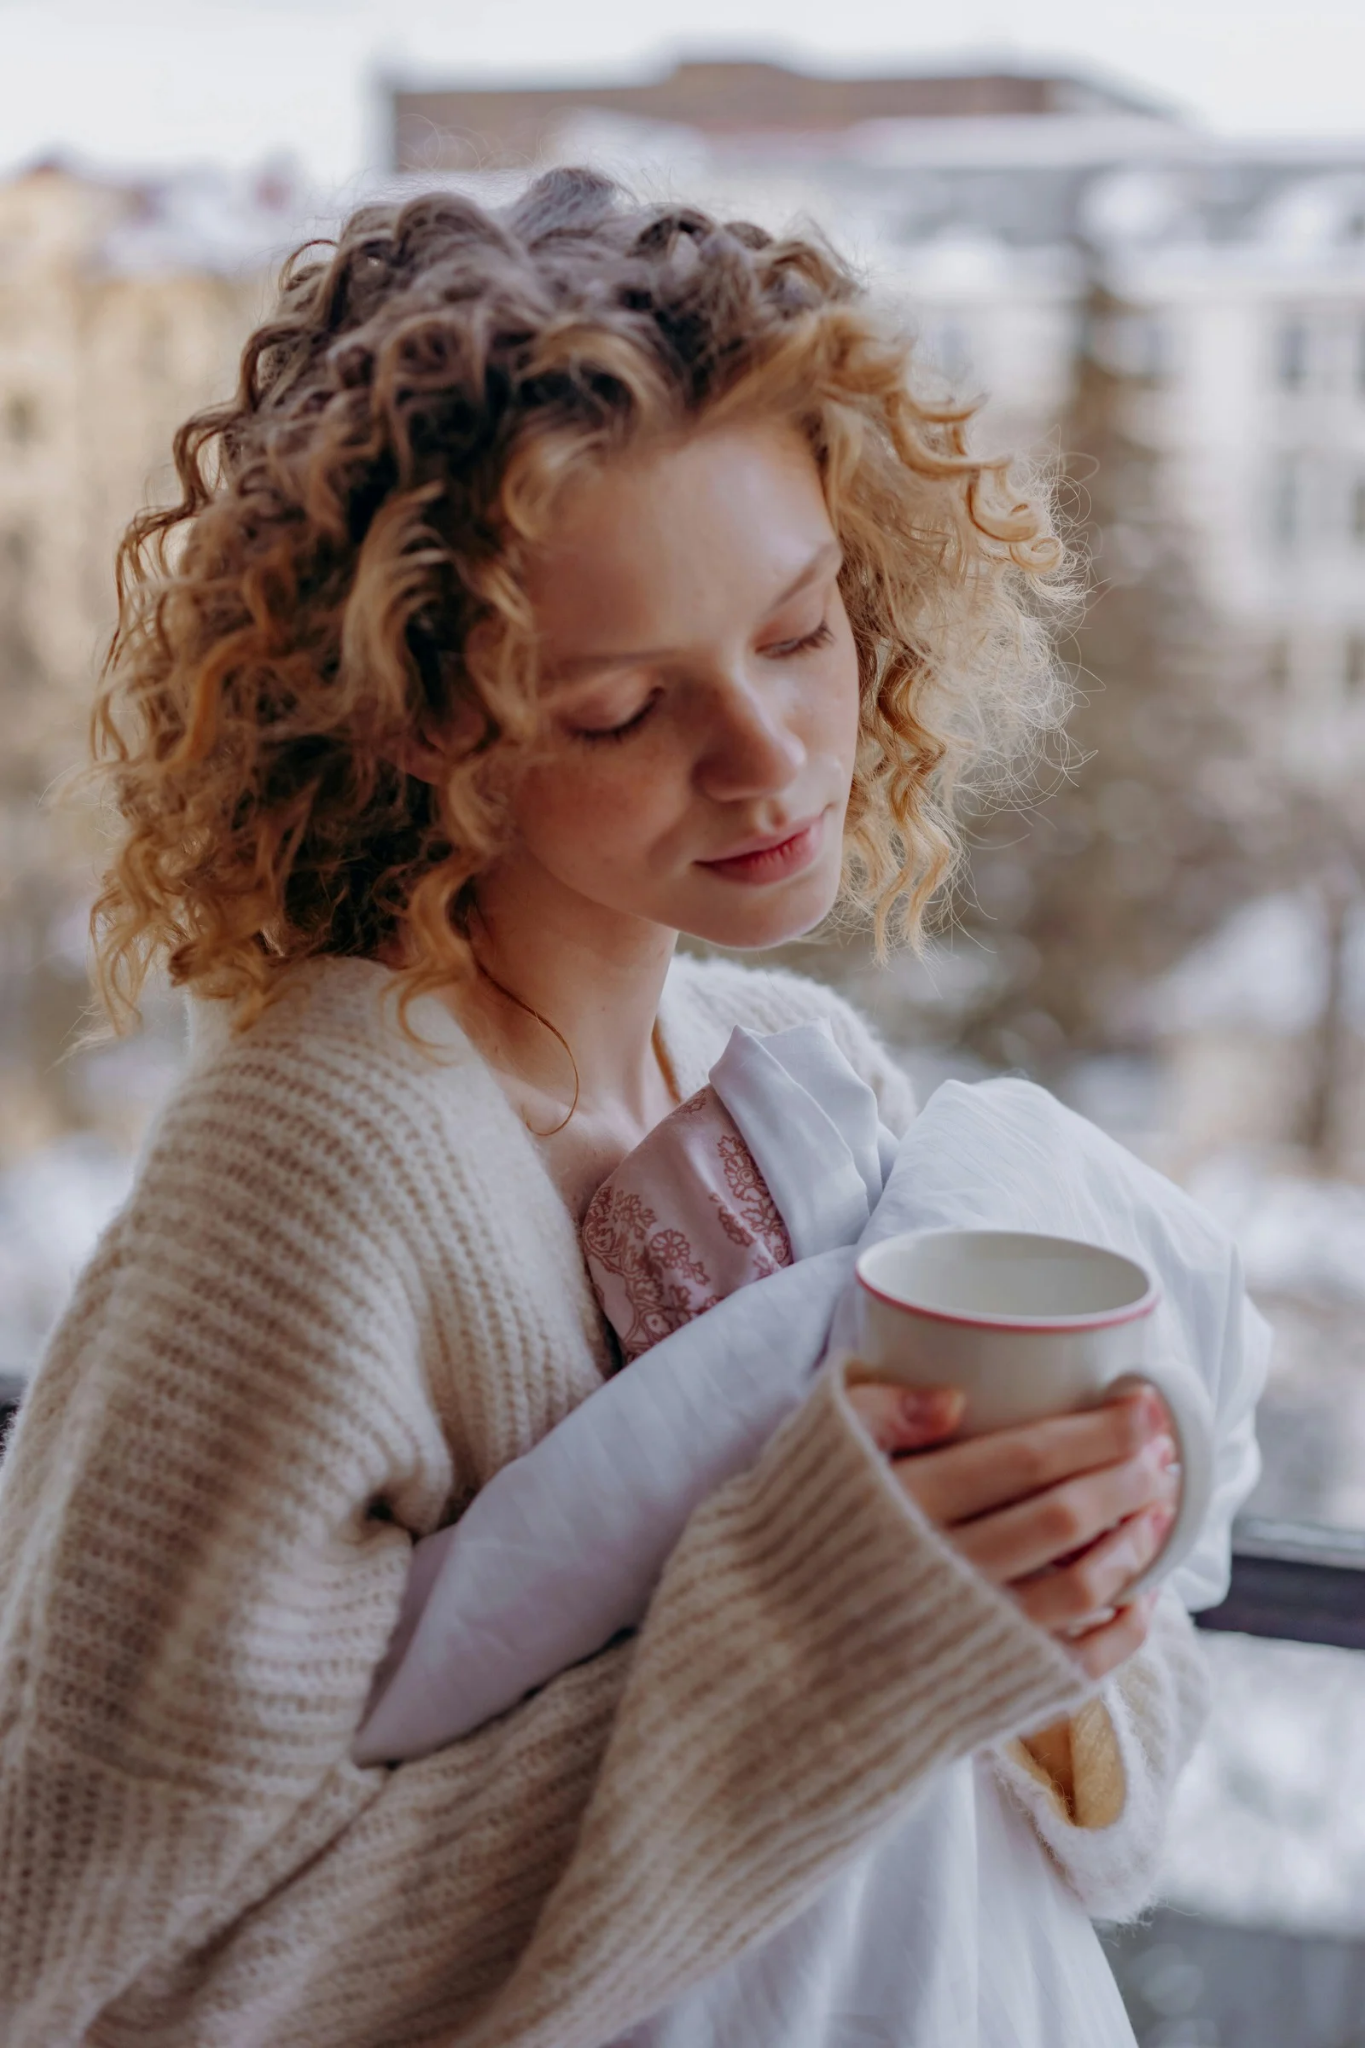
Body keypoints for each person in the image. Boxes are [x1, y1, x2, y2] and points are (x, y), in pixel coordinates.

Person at [0, 170, 1210, 2047]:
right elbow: (100, 1972)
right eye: (622, 710)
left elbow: (1071, 1816)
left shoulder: (790, 1074)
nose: (770, 754)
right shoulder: (322, 1164)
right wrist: (837, 1628)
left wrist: (1061, 1595)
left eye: (802, 633)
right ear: (419, 715)